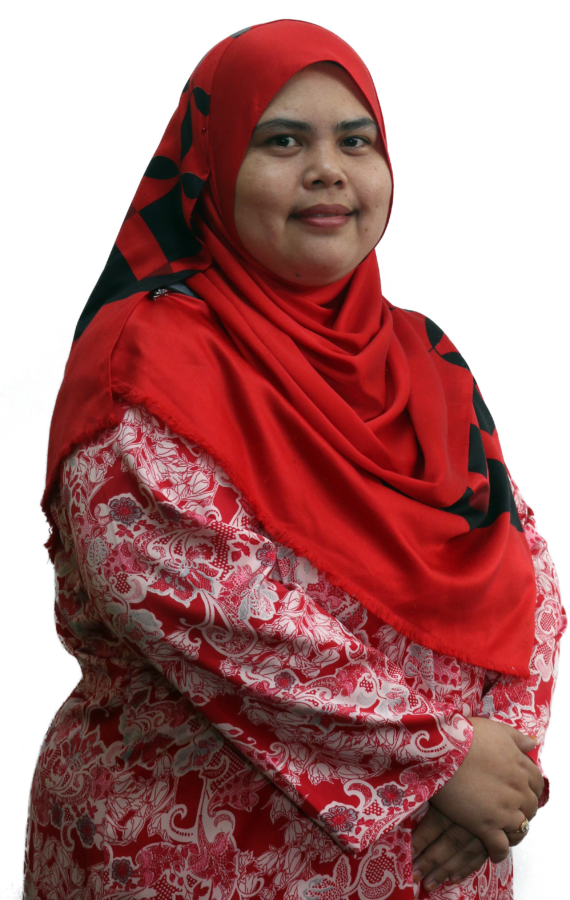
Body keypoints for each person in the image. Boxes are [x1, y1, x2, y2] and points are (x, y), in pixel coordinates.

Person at [23, 17, 565, 900]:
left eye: (356, 142)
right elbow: (196, 598)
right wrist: (443, 758)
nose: (328, 169)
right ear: (213, 169)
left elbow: (523, 564)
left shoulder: (423, 358)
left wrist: (508, 761)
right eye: (282, 141)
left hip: (439, 856)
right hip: (198, 862)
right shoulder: (148, 358)